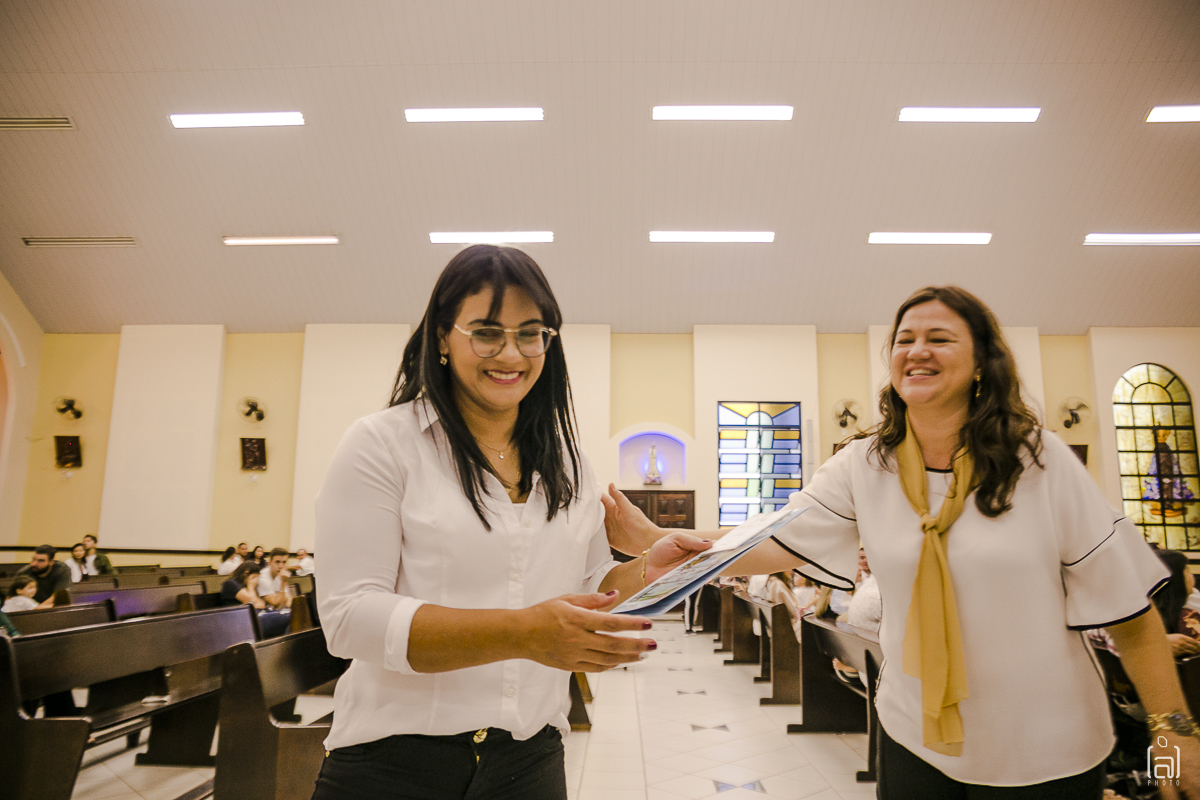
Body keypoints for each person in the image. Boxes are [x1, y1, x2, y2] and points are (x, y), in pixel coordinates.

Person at [604, 285, 1199, 800]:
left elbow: (1131, 615)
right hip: (914, 736)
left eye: (939, 338)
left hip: (1045, 747)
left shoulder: (1040, 461)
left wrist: (1174, 739)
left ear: (983, 363)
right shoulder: (867, 463)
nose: (916, 350)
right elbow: (775, 534)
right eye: (904, 339)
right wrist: (664, 541)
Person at [312, 245, 705, 800]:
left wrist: (645, 570)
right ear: (442, 337)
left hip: (530, 760)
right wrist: (523, 633)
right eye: (486, 333)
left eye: (530, 333)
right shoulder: (383, 444)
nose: (511, 353)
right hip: (394, 762)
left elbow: (590, 585)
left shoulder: (568, 461)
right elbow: (350, 617)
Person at [220, 561, 290, 638]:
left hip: (256, 617)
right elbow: (250, 602)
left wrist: (252, 594)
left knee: (292, 616)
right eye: (255, 577)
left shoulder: (246, 587)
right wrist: (250, 586)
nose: (256, 581)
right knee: (289, 615)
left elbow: (261, 605)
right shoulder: (230, 584)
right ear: (246, 574)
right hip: (244, 622)